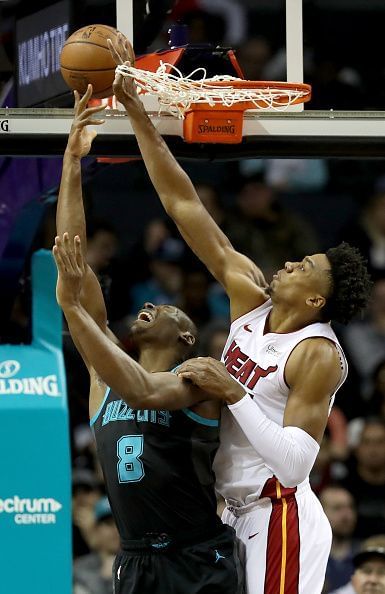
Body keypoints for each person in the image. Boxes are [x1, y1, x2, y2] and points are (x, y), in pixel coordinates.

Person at [107, 33, 372, 594]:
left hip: (281, 514)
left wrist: (234, 393)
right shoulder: (251, 299)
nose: (290, 263)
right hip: (231, 513)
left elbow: (297, 463)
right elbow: (185, 206)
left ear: (315, 301)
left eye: (303, 265)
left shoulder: (318, 354)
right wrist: (138, 118)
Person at [55, 86, 241, 594]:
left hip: (198, 555)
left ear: (186, 333)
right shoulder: (103, 377)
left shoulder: (197, 379)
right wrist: (72, 161)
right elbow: (72, 264)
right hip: (135, 559)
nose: (148, 305)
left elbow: (142, 388)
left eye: (164, 305)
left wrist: (74, 310)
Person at [320, 485, 359, 593]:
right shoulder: (307, 557)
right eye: (337, 508)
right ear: (320, 512)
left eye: (351, 507)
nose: (347, 515)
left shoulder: (365, 555)